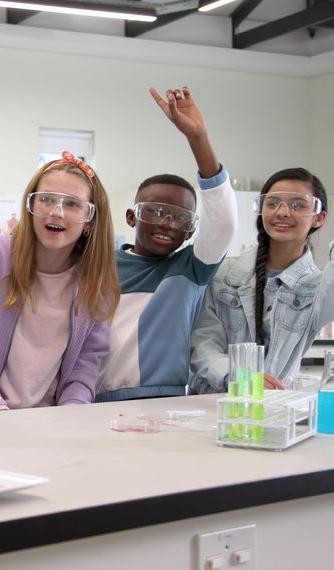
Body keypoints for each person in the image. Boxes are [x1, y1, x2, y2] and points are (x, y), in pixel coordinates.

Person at [0, 152, 119, 414]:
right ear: (30, 206)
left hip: (45, 425)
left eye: (72, 204)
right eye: (46, 199)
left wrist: (73, 412)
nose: (56, 212)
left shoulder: (95, 284)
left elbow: (85, 364)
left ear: (90, 220)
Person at [189, 163, 334, 392]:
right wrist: (238, 376)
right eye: (272, 203)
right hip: (210, 403)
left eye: (297, 205)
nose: (283, 211)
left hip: (276, 405)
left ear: (319, 218)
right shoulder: (223, 274)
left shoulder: (317, 288)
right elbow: (203, 346)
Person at [95, 86, 237, 402]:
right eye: (156, 211)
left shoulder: (191, 269)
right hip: (92, 402)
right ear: (131, 217)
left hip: (163, 402)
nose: (167, 223)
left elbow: (224, 221)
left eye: (181, 217)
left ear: (191, 230)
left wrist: (198, 138)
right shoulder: (99, 266)